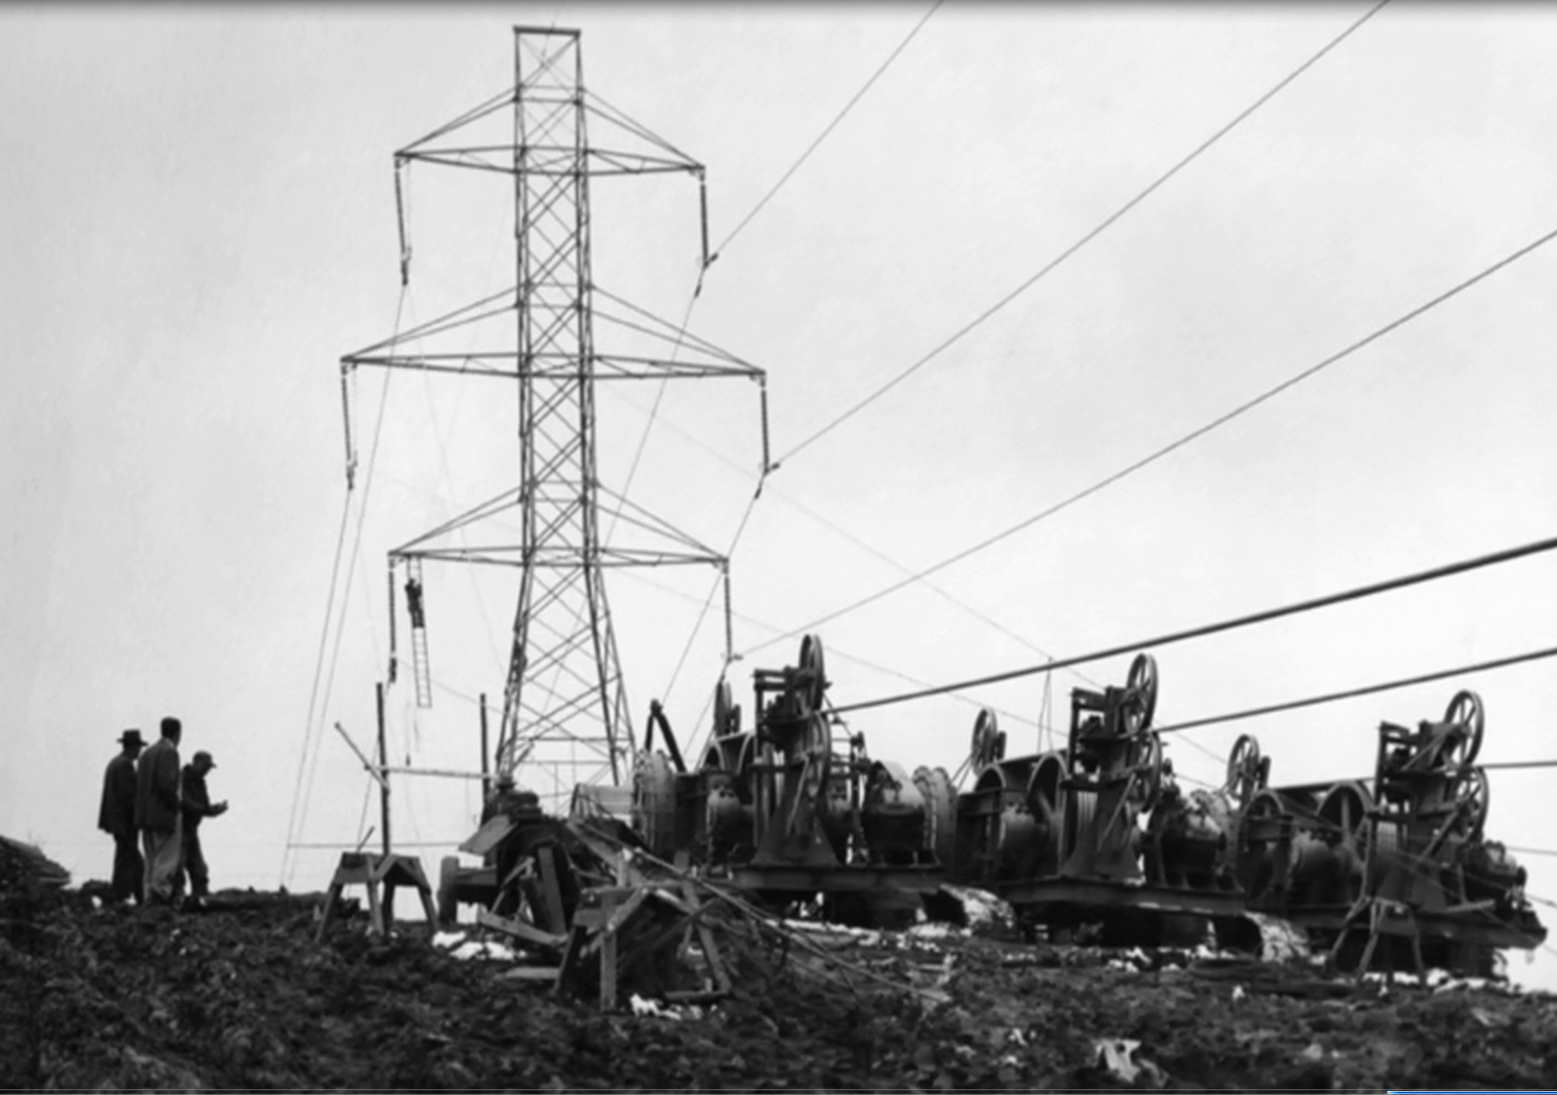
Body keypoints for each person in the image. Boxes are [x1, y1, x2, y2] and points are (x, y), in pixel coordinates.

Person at [135, 716, 183, 906]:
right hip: (163, 813)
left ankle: (149, 894)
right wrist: (175, 805)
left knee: (150, 857)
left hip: (145, 815)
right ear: (177, 733)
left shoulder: (146, 754)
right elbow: (166, 784)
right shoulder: (170, 752)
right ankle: (160, 893)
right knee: (166, 856)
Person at [97, 729, 146, 903]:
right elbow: (128, 797)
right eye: (138, 747)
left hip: (116, 822)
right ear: (133, 747)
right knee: (129, 859)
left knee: (126, 858)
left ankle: (126, 893)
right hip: (125, 822)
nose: (139, 751)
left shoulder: (114, 763)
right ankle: (128, 894)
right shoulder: (125, 765)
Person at [176, 750, 228, 906]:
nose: (207, 771)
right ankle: (177, 897)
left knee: (199, 867)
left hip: (192, 829)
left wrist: (213, 810)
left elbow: (203, 807)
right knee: (178, 865)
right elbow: (184, 803)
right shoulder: (183, 779)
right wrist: (206, 810)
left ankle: (201, 896)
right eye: (205, 766)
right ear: (196, 763)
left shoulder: (200, 782)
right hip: (180, 829)